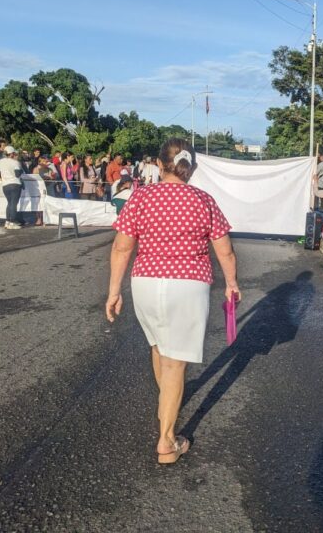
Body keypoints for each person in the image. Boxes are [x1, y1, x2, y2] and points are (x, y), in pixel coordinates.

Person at [106, 137, 240, 465]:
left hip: (146, 283)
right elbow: (225, 249)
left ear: (159, 164)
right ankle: (167, 442)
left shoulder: (141, 197)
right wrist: (231, 283)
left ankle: (167, 397)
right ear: (189, 167)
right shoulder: (203, 200)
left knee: (159, 346)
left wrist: (113, 291)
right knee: (176, 359)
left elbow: (122, 248)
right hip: (188, 285)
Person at [0, 145, 23, 230]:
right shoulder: (15, 162)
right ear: (11, 154)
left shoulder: (0, 162)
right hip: (15, 184)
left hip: (5, 185)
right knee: (13, 204)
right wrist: (21, 169)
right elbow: (17, 174)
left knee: (9, 203)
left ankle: (7, 222)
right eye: (14, 153)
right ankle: (12, 222)